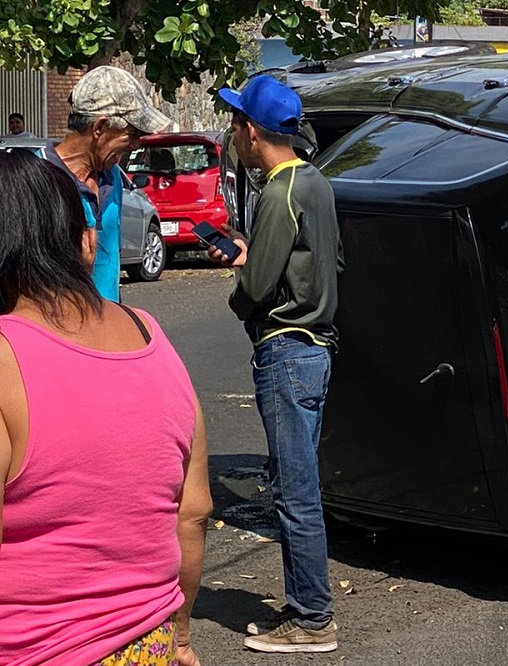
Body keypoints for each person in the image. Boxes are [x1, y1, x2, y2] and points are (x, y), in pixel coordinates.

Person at [0, 149, 212, 665]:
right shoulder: (150, 335)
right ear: (84, 241)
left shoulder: (6, 358)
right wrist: (182, 636)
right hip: (149, 645)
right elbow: (193, 511)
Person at [208, 75, 342, 653]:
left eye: (235, 123)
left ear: (252, 131)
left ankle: (312, 618)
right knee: (299, 483)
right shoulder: (314, 181)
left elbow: (258, 287)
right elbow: (319, 262)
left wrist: (241, 284)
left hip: (286, 349)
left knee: (293, 490)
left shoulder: (278, 190)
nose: (233, 134)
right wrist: (252, 253)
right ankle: (307, 608)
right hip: (316, 348)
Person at [39, 65, 171, 302]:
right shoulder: (34, 180)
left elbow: (110, 265)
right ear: (99, 128)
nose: (137, 144)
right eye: (132, 133)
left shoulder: (113, 177)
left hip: (107, 320)